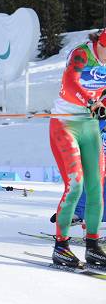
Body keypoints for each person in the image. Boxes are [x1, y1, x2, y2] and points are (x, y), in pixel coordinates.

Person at [49, 30, 106, 267]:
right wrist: (92, 102)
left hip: (89, 125)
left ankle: (92, 245)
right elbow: (70, 83)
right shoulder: (81, 54)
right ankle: (61, 246)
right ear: (100, 44)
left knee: (96, 184)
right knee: (75, 185)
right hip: (65, 124)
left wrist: (101, 103)